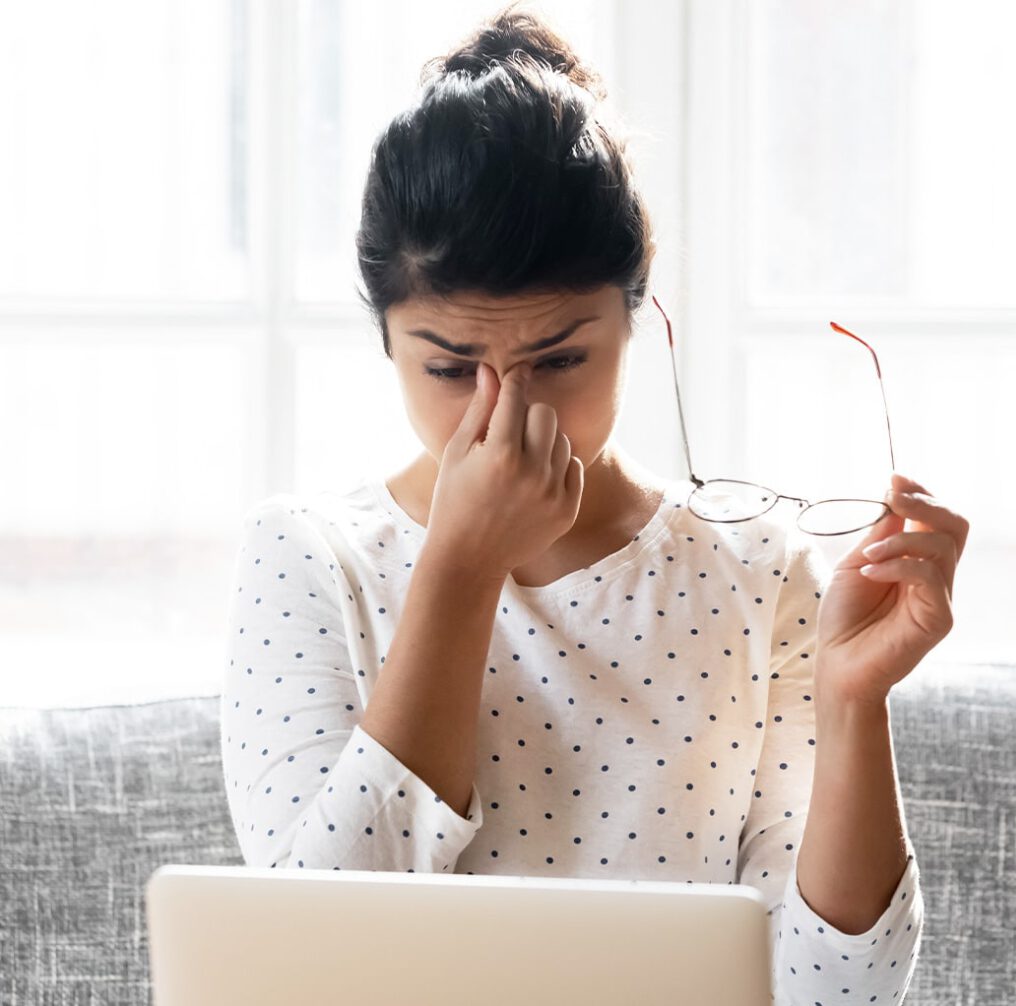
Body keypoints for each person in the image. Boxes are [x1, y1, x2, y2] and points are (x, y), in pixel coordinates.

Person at [220, 4, 969, 1002]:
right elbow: (304, 967)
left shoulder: (757, 569)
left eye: (559, 358)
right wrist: (462, 564)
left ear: (638, 315)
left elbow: (843, 990)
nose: (508, 414)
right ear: (386, 342)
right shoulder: (308, 559)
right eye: (450, 367)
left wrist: (851, 699)